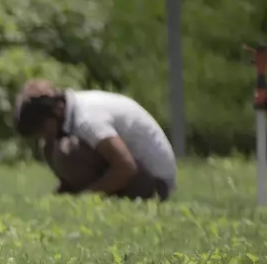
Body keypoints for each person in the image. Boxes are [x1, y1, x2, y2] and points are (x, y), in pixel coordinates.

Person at [12, 79, 177, 201]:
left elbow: (126, 166)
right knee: (54, 148)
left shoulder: (87, 120)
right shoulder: (74, 112)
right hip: (140, 174)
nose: (42, 136)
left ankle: (101, 195)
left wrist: (87, 198)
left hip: (156, 184)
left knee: (69, 153)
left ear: (58, 110)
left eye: (43, 129)